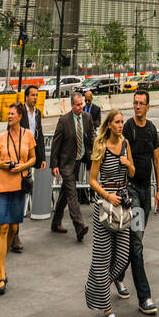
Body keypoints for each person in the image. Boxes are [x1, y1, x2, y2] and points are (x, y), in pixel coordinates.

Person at [114, 87, 159, 314]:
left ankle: (117, 273)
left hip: (146, 193)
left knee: (137, 242)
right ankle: (145, 297)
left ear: (147, 106)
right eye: (135, 103)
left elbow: (157, 161)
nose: (137, 106)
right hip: (131, 192)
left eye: (141, 103)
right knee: (137, 244)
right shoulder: (127, 128)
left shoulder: (151, 129)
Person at [85, 109, 135, 317]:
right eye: (117, 122)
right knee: (102, 259)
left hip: (123, 208)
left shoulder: (125, 144)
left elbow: (132, 173)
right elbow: (92, 180)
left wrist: (127, 164)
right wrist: (107, 196)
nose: (121, 125)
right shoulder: (101, 145)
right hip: (104, 208)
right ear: (109, 124)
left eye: (122, 122)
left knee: (123, 256)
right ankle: (107, 312)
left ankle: (94, 286)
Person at [0, 103, 36, 293]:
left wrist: (23, 167)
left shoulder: (28, 136)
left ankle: (0, 262)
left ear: (20, 116)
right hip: (1, 185)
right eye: (7, 114)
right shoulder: (0, 138)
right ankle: (2, 274)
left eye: (12, 114)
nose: (9, 116)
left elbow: (33, 157)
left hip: (19, 184)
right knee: (3, 226)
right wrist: (2, 164)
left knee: (14, 227)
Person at [50, 91, 92, 241]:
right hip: (66, 162)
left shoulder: (87, 118)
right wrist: (54, 164)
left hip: (79, 161)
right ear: (72, 105)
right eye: (78, 105)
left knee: (64, 193)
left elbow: (90, 137)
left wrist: (92, 156)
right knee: (72, 192)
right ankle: (79, 226)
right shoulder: (64, 120)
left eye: (82, 104)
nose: (81, 107)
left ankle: (55, 223)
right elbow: (56, 144)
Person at [14, 85, 46, 253]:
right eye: (32, 95)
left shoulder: (38, 113)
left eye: (36, 95)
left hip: (33, 155)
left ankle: (15, 230)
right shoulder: (20, 111)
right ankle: (15, 232)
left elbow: (39, 136)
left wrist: (42, 158)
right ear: (26, 97)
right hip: (20, 155)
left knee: (25, 186)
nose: (35, 98)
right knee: (19, 189)